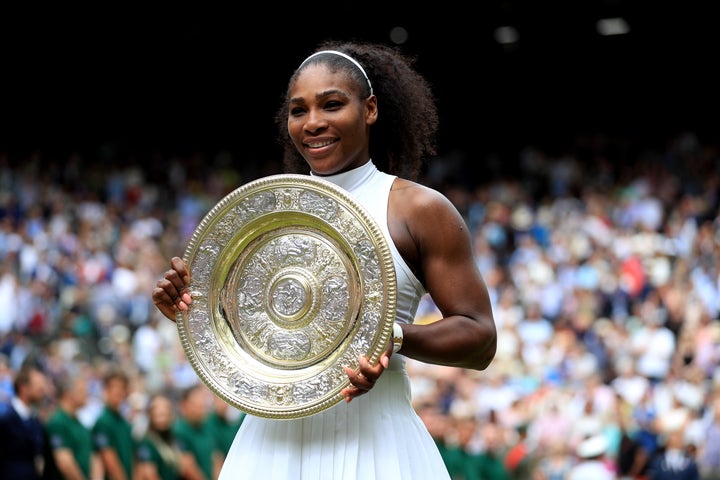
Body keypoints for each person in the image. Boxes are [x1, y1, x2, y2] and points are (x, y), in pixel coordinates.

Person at [153, 40, 497, 479]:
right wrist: (189, 307)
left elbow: (481, 340)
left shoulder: (420, 210)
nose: (313, 123)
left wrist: (386, 337)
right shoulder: (263, 214)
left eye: (331, 105)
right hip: (268, 448)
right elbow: (247, 336)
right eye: (299, 111)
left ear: (370, 109)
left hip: (377, 446)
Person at [0, 362, 53, 480]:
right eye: (39, 386)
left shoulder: (35, 419)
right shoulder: (5, 418)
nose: (43, 391)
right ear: (23, 388)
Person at [45, 372, 102, 479]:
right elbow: (65, 463)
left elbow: (93, 456)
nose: (87, 395)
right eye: (82, 391)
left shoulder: (80, 424)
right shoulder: (58, 422)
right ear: (68, 393)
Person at [91, 368, 136, 480]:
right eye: (114, 387)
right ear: (106, 390)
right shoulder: (103, 421)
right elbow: (110, 462)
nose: (118, 391)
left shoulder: (124, 422)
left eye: (122, 387)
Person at [172, 383, 220, 480]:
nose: (202, 407)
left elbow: (216, 457)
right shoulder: (179, 430)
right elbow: (188, 468)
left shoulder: (207, 426)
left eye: (203, 403)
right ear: (184, 405)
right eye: (197, 404)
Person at [135, 393, 182, 480]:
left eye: (165, 414)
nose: (162, 418)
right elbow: (149, 474)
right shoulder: (147, 442)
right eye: (158, 414)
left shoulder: (172, 438)